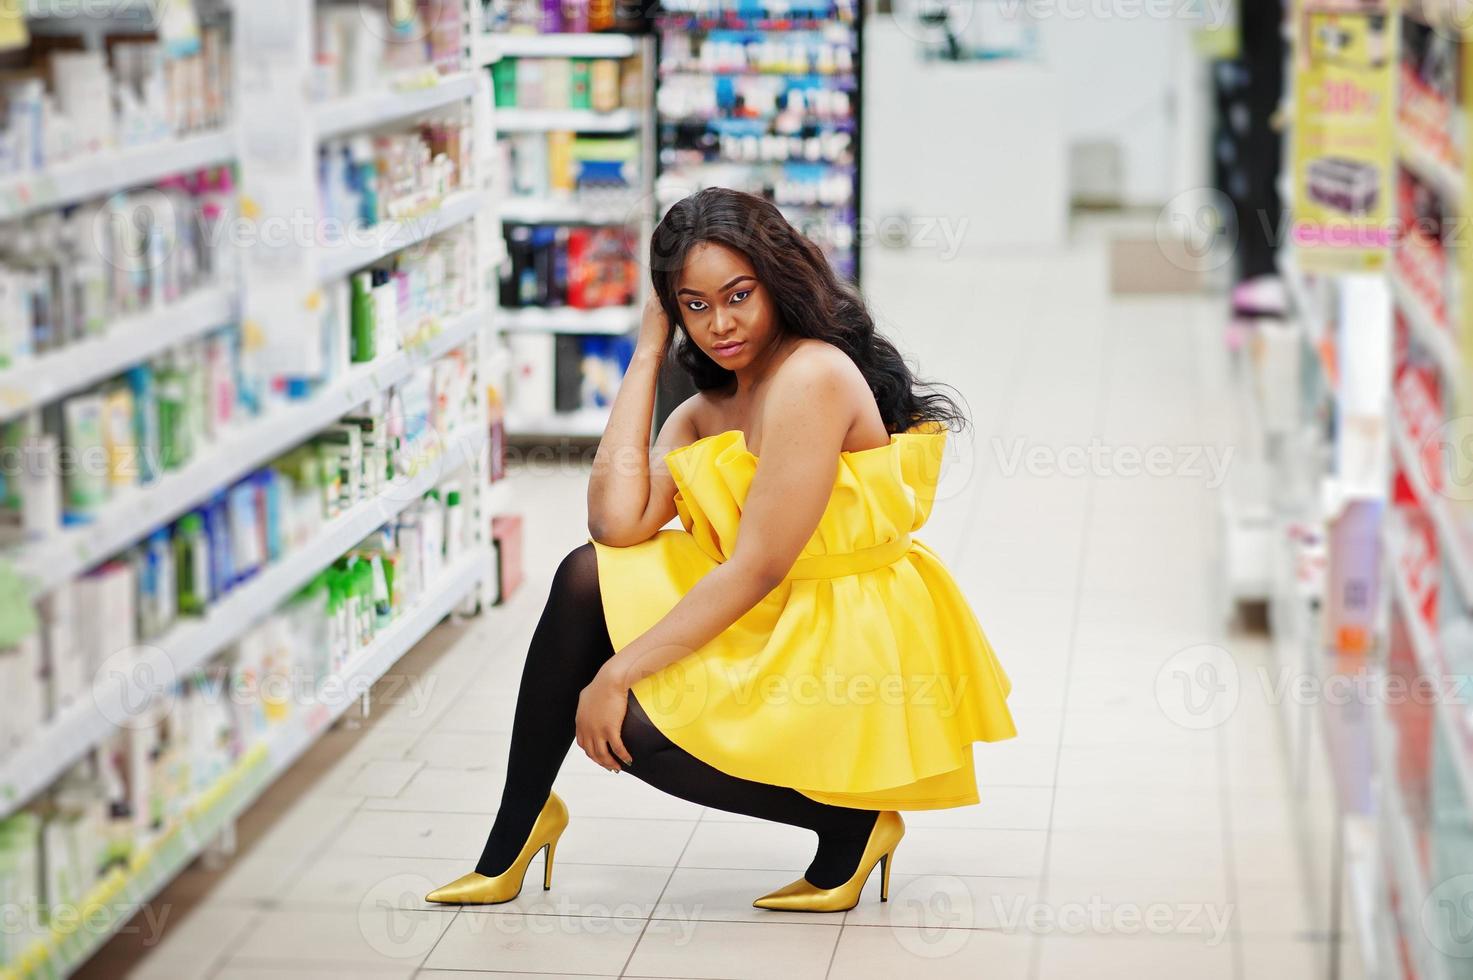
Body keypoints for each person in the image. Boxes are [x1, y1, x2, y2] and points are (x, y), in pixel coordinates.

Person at [425, 187, 1016, 913]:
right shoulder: (710, 404)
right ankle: (514, 833)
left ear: (778, 280)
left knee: (633, 726)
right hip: (769, 603)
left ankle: (849, 827)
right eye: (694, 306)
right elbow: (614, 526)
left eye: (738, 295)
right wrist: (644, 353)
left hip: (836, 621)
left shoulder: (811, 376)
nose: (719, 324)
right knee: (584, 576)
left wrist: (616, 674)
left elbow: (759, 564)